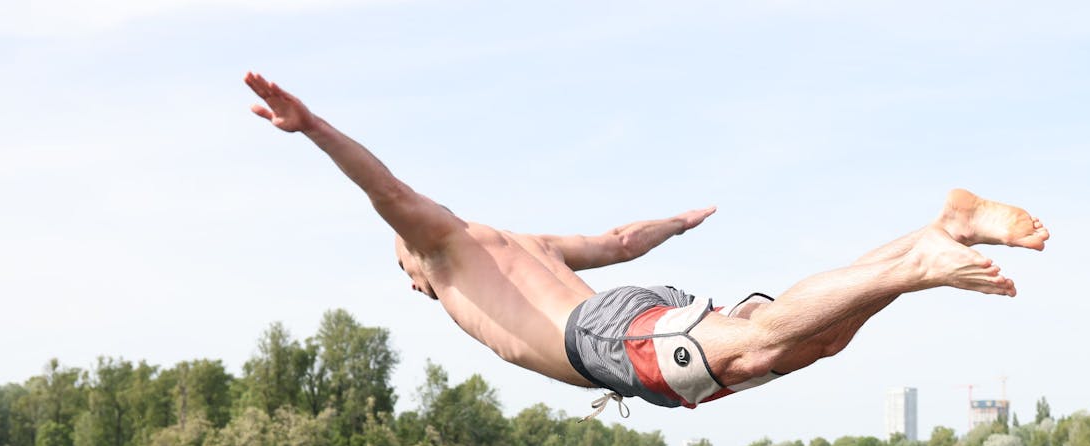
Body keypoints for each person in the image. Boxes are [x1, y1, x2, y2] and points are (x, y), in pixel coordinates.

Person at [243, 72, 1049, 416]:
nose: (414, 286)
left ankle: (920, 262)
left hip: (598, 338)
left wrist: (311, 128)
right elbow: (619, 242)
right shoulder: (525, 244)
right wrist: (676, 225)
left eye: (405, 271)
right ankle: (938, 230)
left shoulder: (441, 244)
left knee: (766, 342)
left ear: (413, 249)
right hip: (631, 317)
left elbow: (385, 191)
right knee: (803, 345)